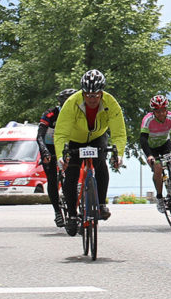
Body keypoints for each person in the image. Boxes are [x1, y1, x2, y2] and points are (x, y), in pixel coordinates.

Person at [54, 69, 127, 236]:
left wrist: (119, 154)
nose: (92, 99)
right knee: (71, 174)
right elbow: (61, 132)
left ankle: (101, 204)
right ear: (83, 93)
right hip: (74, 139)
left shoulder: (111, 103)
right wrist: (61, 155)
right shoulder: (72, 102)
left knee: (101, 164)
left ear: (102, 93)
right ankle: (72, 215)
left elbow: (119, 132)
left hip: (98, 136)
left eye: (96, 95)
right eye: (88, 95)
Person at [139, 94, 171, 212]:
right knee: (157, 168)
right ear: (153, 111)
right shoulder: (148, 119)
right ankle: (159, 197)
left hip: (165, 145)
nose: (161, 114)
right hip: (151, 148)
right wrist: (149, 156)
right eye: (157, 111)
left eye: (163, 110)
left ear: (166, 110)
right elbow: (143, 139)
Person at [37, 88, 77, 228]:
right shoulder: (50, 114)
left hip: (67, 146)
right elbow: (40, 135)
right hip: (50, 147)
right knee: (52, 179)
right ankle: (57, 211)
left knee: (72, 176)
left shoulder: (77, 113)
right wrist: (44, 151)